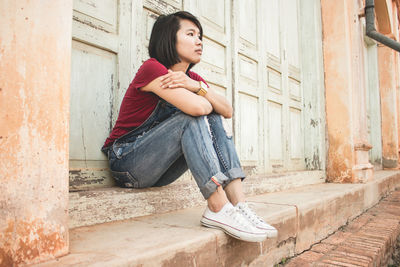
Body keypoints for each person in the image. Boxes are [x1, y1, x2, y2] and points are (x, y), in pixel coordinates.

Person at [102, 11, 277, 242]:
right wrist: (200, 93)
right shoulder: (152, 69)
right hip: (126, 162)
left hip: (158, 171)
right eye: (191, 34)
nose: (199, 41)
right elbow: (198, 109)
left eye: (200, 36)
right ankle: (217, 207)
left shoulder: (192, 77)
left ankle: (239, 206)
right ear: (169, 38)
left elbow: (227, 110)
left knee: (215, 116)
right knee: (194, 116)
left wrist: (196, 86)